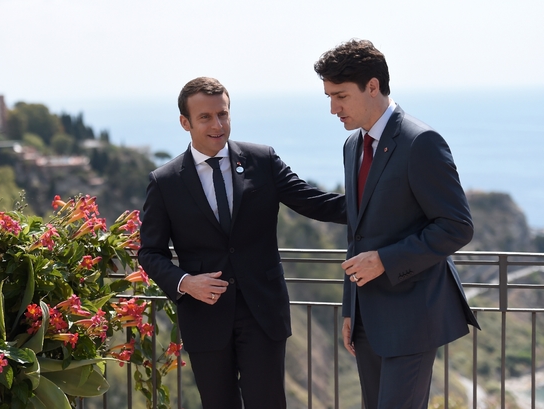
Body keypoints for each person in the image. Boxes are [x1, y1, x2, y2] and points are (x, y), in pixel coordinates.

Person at [138, 77, 346, 409]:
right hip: (205, 317)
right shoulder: (165, 182)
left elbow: (314, 202)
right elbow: (149, 252)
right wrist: (185, 282)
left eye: (223, 114)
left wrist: (377, 209)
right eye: (205, 117)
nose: (217, 124)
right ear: (185, 123)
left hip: (263, 312)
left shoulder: (262, 160)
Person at [313, 39, 480, 409]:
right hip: (367, 318)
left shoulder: (421, 142)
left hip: (413, 316)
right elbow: (357, 231)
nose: (332, 108)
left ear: (372, 86)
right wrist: (349, 308)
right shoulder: (352, 146)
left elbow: (456, 226)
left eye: (339, 95)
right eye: (328, 96)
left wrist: (385, 260)